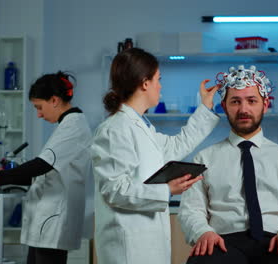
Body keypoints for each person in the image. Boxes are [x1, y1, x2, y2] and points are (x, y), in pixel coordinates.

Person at [91, 48, 220, 264]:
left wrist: (205, 108)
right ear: (144, 83)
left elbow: (178, 144)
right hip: (127, 247)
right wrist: (168, 189)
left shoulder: (141, 126)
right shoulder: (115, 129)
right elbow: (114, 189)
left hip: (147, 242)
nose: (160, 86)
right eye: (158, 80)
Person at [178, 65, 278, 264]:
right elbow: (191, 209)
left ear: (265, 104)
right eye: (235, 101)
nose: (244, 109)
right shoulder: (204, 158)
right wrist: (203, 233)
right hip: (222, 242)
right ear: (224, 106)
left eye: (252, 101)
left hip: (276, 240)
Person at [0, 71, 92, 264]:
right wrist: (6, 176)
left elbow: (41, 165)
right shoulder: (68, 124)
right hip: (48, 221)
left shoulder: (73, 126)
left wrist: (1, 176)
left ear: (54, 100)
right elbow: (48, 170)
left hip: (53, 220)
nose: (39, 114)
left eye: (39, 107)